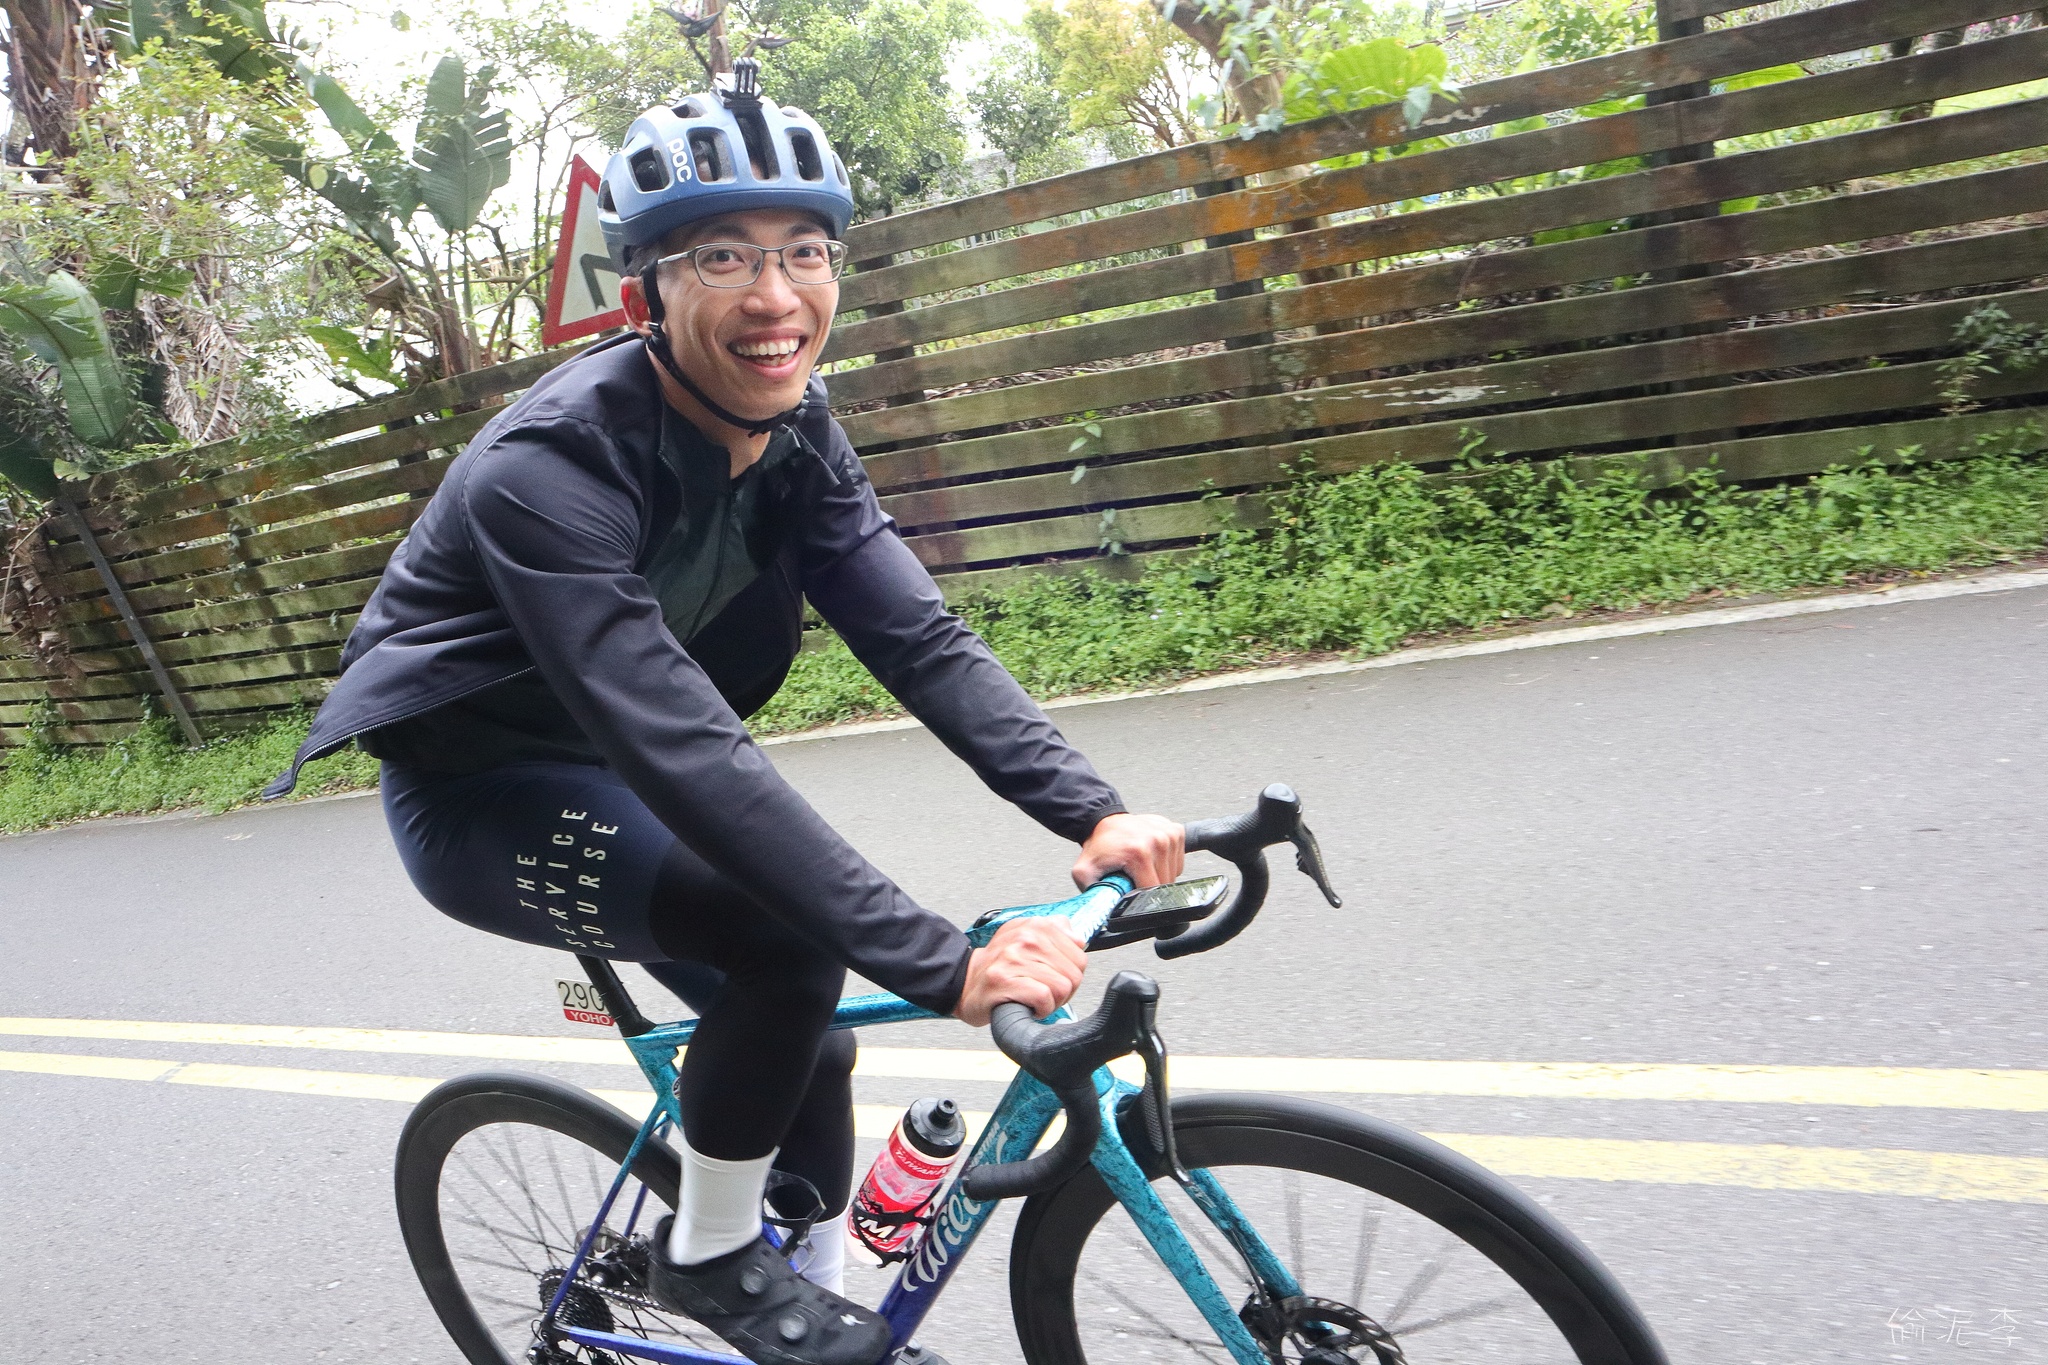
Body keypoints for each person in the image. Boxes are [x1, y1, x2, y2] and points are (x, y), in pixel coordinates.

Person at [265, 62, 1184, 1365]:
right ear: (646, 293)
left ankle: (791, 1283)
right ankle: (705, 1255)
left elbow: (916, 636)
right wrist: (944, 964)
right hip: (482, 797)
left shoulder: (799, 432)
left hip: (618, 767)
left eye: (804, 251)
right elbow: (680, 741)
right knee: (788, 943)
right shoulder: (550, 465)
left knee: (809, 1045)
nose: (774, 294)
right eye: (722, 257)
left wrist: (1090, 809)